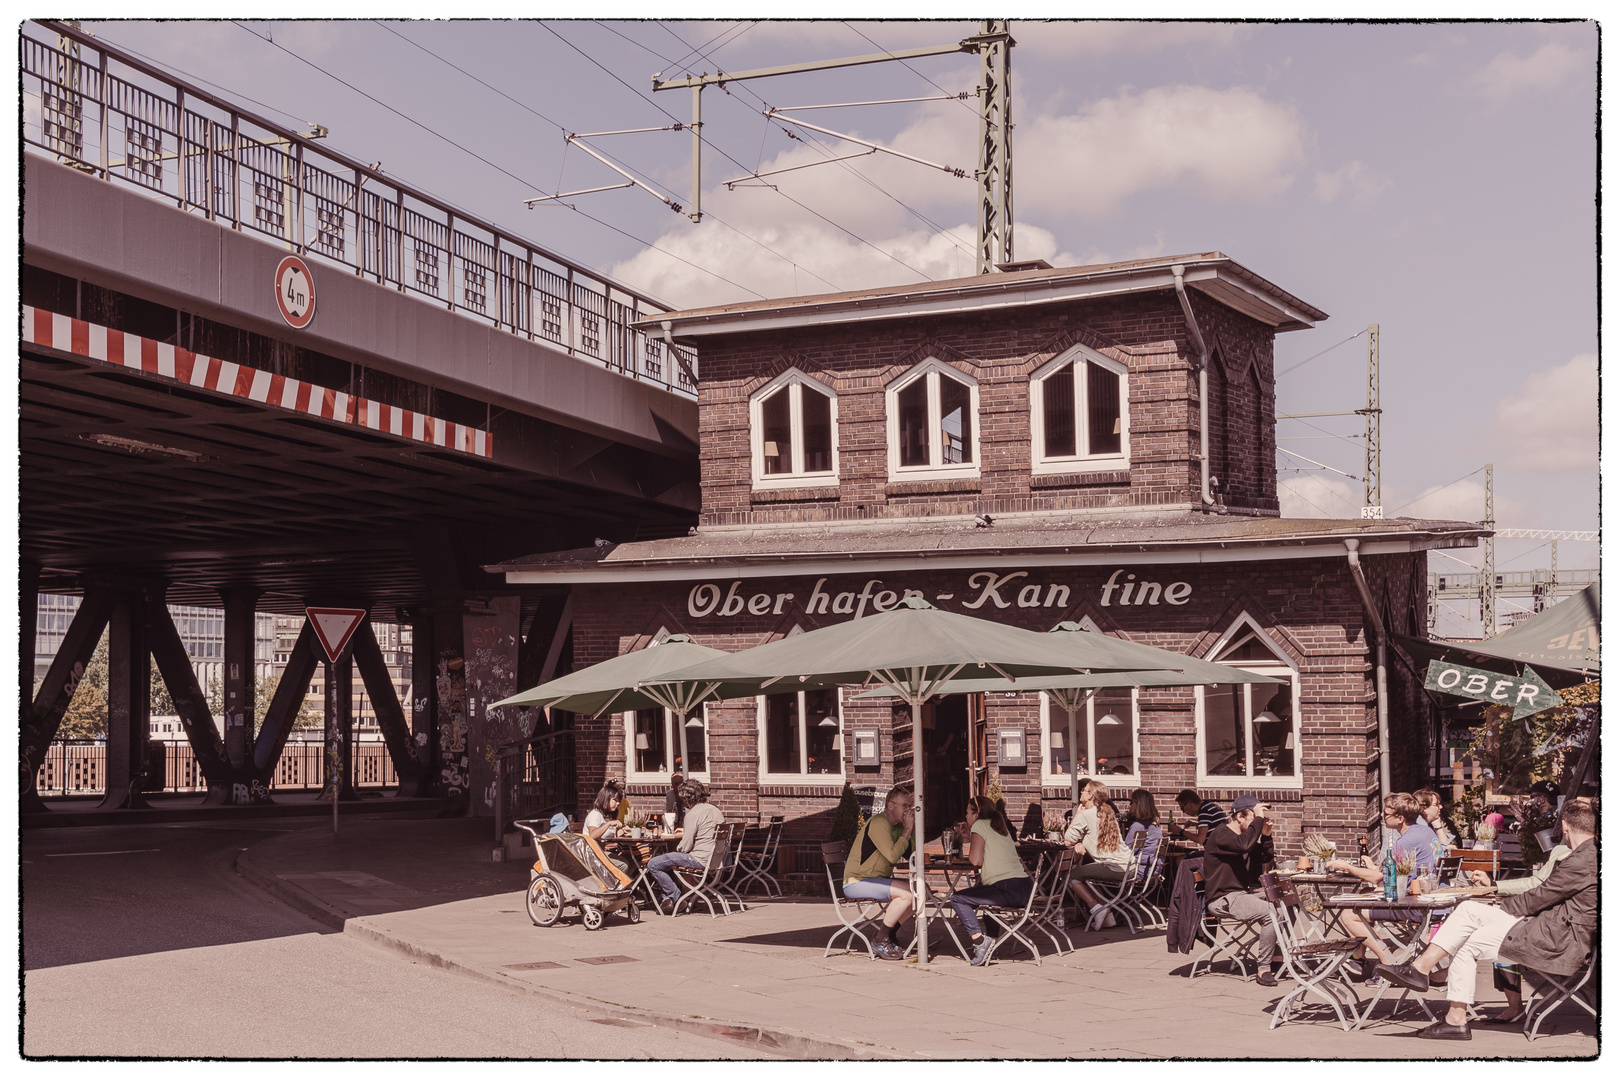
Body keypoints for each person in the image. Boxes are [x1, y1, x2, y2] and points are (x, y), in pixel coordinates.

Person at [1377, 799, 1597, 1040]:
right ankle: (1451, 1013)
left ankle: (1424, 974)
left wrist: (1498, 907)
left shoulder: (1583, 860)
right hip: (1556, 932)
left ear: (1564, 826)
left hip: (1559, 943)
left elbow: (1540, 897)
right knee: (1466, 930)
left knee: (1469, 913)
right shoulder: (1587, 855)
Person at [1326, 792, 1439, 979]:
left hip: (1415, 905)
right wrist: (1373, 868)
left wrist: (1345, 866)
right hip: (1429, 898)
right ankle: (1359, 958)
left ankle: (1388, 961)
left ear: (1400, 818)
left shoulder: (1406, 841)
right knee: (1364, 894)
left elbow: (1376, 878)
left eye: (1386, 814)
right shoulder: (1425, 832)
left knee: (1348, 913)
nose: (1381, 816)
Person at [1202, 794, 1281, 987]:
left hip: (1241, 894)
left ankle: (1277, 954)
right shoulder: (1221, 835)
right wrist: (1259, 821)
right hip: (1223, 899)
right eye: (1253, 819)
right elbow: (1244, 845)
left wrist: (1267, 835)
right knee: (1270, 913)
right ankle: (1263, 969)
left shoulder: (1241, 837)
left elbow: (1264, 857)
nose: (1257, 824)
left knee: (1285, 900)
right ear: (1239, 817)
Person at [950, 795, 1033, 966]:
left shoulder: (980, 825)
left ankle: (980, 942)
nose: (965, 817)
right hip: (1023, 887)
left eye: (967, 813)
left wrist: (972, 836)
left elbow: (975, 861)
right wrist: (970, 838)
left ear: (976, 813)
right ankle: (992, 944)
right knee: (987, 900)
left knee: (958, 899)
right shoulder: (999, 826)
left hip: (1006, 888)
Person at [841, 787, 916, 960]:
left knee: (922, 890)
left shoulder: (897, 827)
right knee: (907, 895)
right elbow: (892, 855)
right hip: (857, 882)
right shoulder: (879, 823)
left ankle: (889, 935)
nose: (908, 810)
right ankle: (880, 939)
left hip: (876, 880)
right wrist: (907, 831)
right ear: (890, 805)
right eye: (905, 805)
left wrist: (911, 830)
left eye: (910, 806)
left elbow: (912, 854)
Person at [646, 779, 726, 913]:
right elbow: (707, 830)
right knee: (668, 860)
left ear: (687, 799)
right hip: (717, 860)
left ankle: (676, 898)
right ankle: (669, 899)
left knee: (654, 863)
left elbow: (685, 848)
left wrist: (678, 846)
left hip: (699, 860)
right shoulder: (715, 810)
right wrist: (688, 832)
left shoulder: (693, 814)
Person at [1064, 780, 1135, 928]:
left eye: (1084, 790)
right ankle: (1108, 916)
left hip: (1113, 867)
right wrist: (1079, 842)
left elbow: (1067, 839)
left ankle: (1096, 908)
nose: (1081, 792)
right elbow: (1092, 835)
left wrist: (1077, 814)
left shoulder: (1086, 815)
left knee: (1070, 875)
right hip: (1129, 866)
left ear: (1090, 796)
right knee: (1089, 875)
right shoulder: (1107, 812)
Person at [1121, 788, 1164, 886]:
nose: (1130, 805)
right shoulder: (1155, 826)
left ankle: (1100, 901)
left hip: (1138, 871)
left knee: (1094, 873)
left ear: (1138, 804)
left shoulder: (1138, 826)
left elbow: (1126, 853)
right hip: (1153, 871)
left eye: (1131, 802)